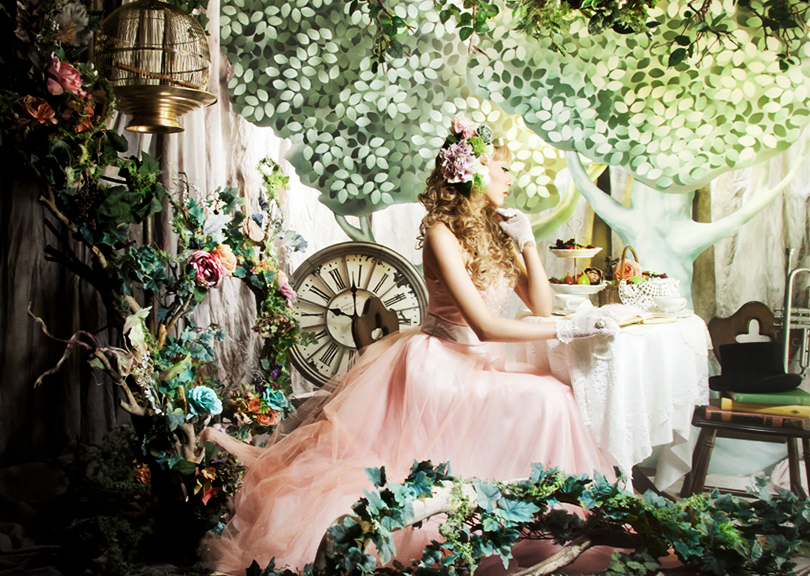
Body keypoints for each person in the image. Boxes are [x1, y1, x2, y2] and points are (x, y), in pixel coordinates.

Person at [199, 118, 621, 575]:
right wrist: (568, 329)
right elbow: (483, 326)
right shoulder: (442, 232)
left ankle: (544, 529)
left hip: (483, 366)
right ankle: (496, 527)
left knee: (556, 395)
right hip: (440, 365)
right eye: (502, 168)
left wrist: (527, 241)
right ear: (476, 174)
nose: (510, 178)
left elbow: (540, 305)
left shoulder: (496, 232)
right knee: (546, 400)